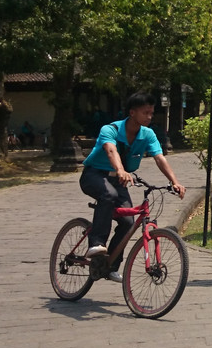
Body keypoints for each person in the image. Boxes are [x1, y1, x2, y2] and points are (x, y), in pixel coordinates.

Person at [80, 93, 186, 282]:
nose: (150, 117)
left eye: (151, 113)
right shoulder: (110, 129)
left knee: (128, 222)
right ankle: (96, 242)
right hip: (94, 175)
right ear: (132, 112)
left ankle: (109, 265)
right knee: (108, 194)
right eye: (146, 113)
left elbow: (159, 158)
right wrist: (120, 170)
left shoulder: (148, 134)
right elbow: (111, 150)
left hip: (119, 180)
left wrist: (174, 181)